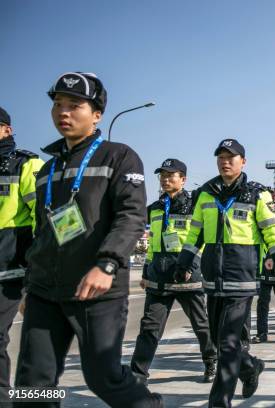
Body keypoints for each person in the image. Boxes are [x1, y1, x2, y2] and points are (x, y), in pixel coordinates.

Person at [15, 72, 162, 406]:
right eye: (57, 105)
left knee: (102, 378)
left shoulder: (118, 156)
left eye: (74, 105)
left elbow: (132, 215)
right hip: (45, 291)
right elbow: (42, 231)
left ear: (97, 114)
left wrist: (107, 264)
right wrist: (30, 284)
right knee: (31, 384)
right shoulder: (46, 170)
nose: (63, 113)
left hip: (97, 290)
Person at [176, 139, 275, 407]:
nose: (225, 161)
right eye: (221, 157)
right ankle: (250, 367)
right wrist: (184, 261)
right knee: (220, 340)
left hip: (242, 277)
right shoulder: (205, 194)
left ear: (243, 162)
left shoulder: (257, 194)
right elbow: (195, 232)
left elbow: (272, 230)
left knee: (227, 343)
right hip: (213, 278)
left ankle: (219, 402)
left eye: (231, 157)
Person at [130, 158, 217, 384]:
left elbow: (203, 241)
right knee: (149, 328)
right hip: (159, 278)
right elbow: (153, 244)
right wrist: (146, 272)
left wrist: (190, 266)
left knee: (201, 325)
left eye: (171, 175)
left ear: (183, 179)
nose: (165, 180)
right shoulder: (157, 208)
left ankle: (211, 361)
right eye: (162, 176)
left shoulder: (194, 206)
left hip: (187, 277)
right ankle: (138, 374)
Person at [0, 106, 43, 396]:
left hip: (12, 272)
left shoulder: (26, 165)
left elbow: (45, 221)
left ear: (7, 130)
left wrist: (36, 277)